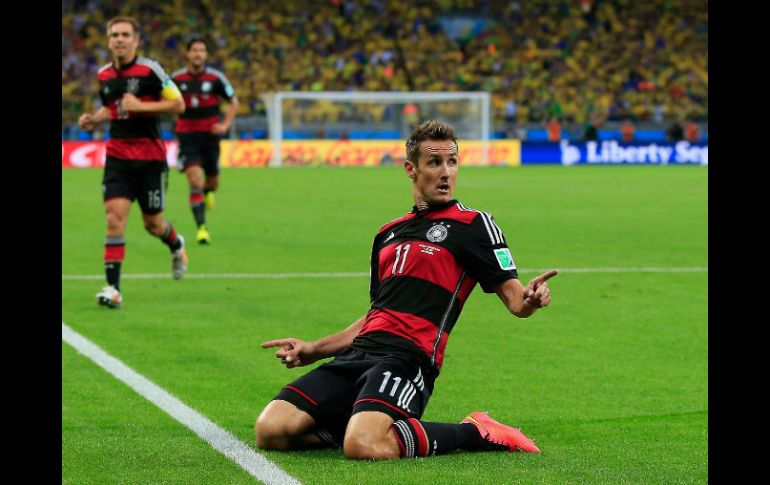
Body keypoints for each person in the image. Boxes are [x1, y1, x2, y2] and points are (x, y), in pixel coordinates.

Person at [255, 120, 558, 460]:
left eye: (452, 161)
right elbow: (377, 315)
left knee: (363, 447)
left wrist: (532, 299)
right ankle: (367, 423)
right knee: (271, 430)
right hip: (356, 356)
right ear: (411, 169)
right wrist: (315, 349)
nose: (446, 172)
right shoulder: (388, 234)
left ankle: (476, 430)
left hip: (406, 360)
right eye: (434, 162)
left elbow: (517, 301)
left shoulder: (473, 226)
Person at [77, 16, 188, 309]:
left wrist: (143, 106)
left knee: (153, 224)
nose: (120, 39)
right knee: (114, 220)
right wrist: (93, 119)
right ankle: (113, 289)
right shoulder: (104, 75)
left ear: (135, 40)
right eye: (114, 34)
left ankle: (177, 245)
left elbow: (178, 104)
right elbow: (110, 108)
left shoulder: (150, 70)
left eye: (126, 34)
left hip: (150, 160)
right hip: (117, 158)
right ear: (109, 40)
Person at [171, 38, 239, 244]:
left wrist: (225, 125)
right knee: (194, 180)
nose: (198, 54)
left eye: (201, 50)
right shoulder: (176, 78)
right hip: (187, 137)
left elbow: (234, 102)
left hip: (210, 137)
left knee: (212, 182)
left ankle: (208, 192)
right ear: (187, 54)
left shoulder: (216, 78)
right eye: (194, 50)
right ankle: (202, 228)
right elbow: (164, 101)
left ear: (206, 55)